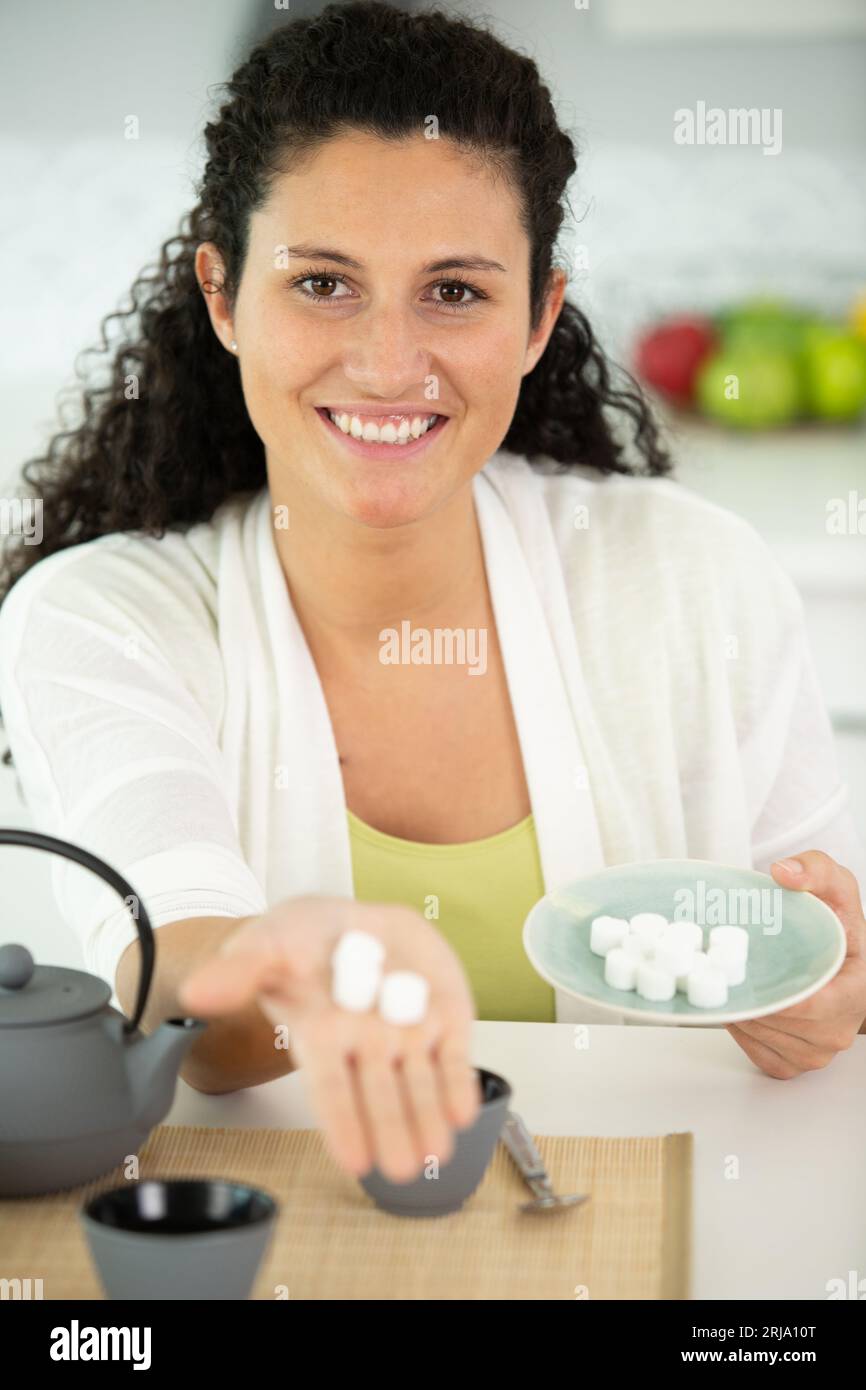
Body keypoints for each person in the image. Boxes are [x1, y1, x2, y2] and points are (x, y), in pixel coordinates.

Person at [1, 2, 864, 1187]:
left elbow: (816, 964)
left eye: (453, 292)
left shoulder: (692, 577)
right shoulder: (98, 617)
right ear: (221, 294)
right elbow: (176, 991)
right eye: (322, 284)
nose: (389, 364)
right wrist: (308, 966)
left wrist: (831, 1011)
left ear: (537, 318)